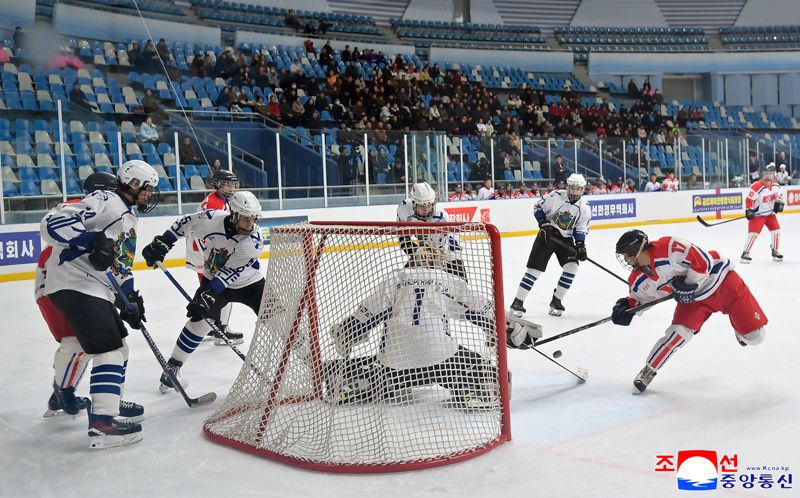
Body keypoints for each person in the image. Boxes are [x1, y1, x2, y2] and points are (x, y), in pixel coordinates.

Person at [41, 160, 159, 448]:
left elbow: (118, 266)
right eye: (147, 189)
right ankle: (103, 424)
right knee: (107, 348)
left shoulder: (128, 217)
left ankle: (110, 404)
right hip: (75, 282)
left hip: (93, 287)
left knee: (119, 347)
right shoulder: (105, 199)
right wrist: (91, 239)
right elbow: (52, 224)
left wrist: (129, 297)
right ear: (133, 184)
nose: (149, 195)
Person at [325, 246, 502, 408]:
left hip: (397, 363)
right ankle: (471, 390)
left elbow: (366, 317)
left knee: (382, 365)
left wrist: (347, 331)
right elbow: (481, 311)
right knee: (480, 365)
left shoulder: (395, 278)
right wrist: (503, 327)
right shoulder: (446, 280)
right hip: (440, 361)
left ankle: (357, 381)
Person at [141, 191, 272, 393]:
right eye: (246, 218)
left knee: (279, 319)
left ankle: (312, 361)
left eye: (254, 218)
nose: (250, 223)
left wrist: (209, 293)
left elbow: (230, 273)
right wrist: (164, 242)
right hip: (214, 278)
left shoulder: (253, 241)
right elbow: (184, 223)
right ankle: (172, 368)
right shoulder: (210, 218)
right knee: (198, 322)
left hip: (250, 285)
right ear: (234, 214)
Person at [611, 229, 767, 394]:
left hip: (722, 282)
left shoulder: (669, 246)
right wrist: (627, 308)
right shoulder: (637, 280)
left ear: (638, 250)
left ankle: (740, 327)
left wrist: (689, 283)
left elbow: (703, 260)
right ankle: (649, 370)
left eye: (628, 255)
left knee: (755, 337)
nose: (626, 260)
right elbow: (641, 300)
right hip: (693, 301)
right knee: (677, 334)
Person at [38, 172, 118, 418]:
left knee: (82, 341)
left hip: (67, 280)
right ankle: (63, 391)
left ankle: (61, 392)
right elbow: (53, 226)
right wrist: (92, 241)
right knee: (75, 340)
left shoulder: (101, 211)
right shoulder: (80, 206)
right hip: (57, 281)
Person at [509, 174, 590, 317]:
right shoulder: (556, 196)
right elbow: (538, 207)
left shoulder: (584, 207)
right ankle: (518, 302)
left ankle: (557, 300)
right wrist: (543, 223)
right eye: (573, 188)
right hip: (548, 235)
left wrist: (580, 245)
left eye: (579, 189)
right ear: (567, 187)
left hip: (565, 239)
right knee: (534, 270)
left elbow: (581, 228)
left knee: (572, 267)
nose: (575, 192)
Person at [396, 182, 466, 280]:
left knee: (460, 284)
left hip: (448, 249)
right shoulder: (404, 208)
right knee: (405, 281)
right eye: (422, 206)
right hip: (425, 244)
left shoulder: (440, 217)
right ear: (414, 203)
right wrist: (415, 251)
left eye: (429, 205)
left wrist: (430, 258)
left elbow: (438, 252)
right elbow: (403, 238)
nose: (426, 210)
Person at [741, 163, 785, 263]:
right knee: (753, 234)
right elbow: (749, 200)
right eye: (766, 173)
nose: (768, 175)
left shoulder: (776, 185)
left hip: (770, 214)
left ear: (773, 175)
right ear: (763, 175)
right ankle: (745, 253)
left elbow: (779, 196)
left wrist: (779, 204)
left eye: (770, 173)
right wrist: (749, 210)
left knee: (776, 231)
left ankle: (775, 251)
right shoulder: (756, 186)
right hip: (758, 215)